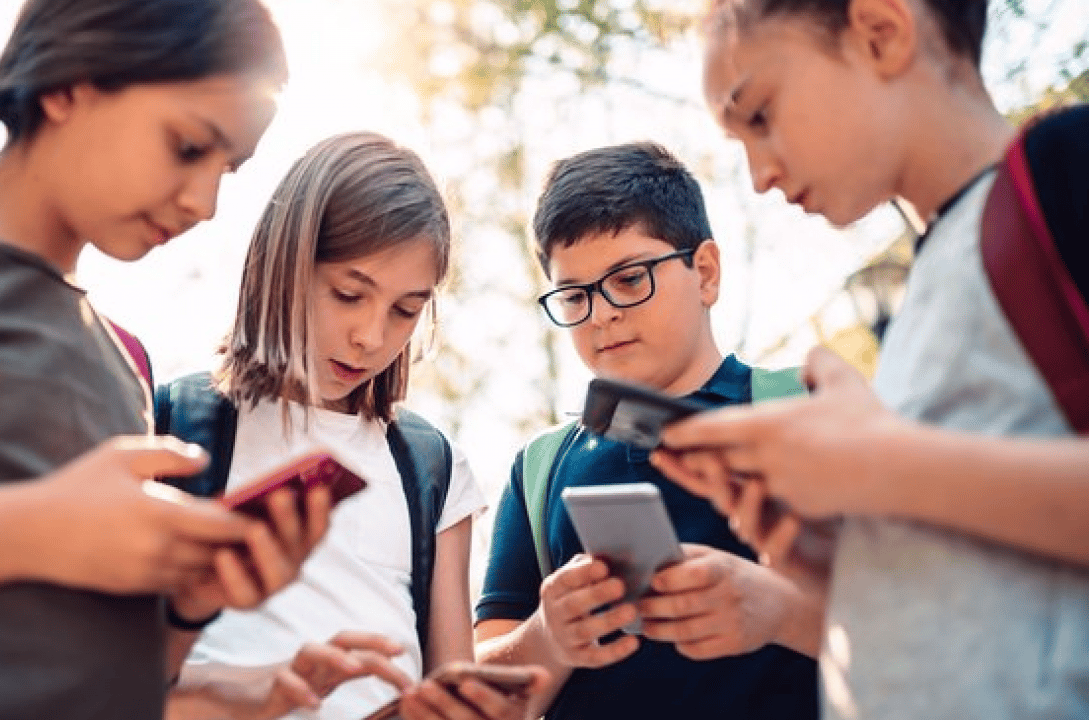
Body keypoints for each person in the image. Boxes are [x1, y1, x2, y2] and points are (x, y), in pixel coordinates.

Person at [0, 1, 333, 718]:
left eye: (230, 169)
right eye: (187, 146)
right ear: (70, 86)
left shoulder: (129, 365)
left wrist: (186, 608)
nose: (207, 203)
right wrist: (34, 529)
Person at [652, 0, 1089, 717]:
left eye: (759, 114)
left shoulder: (1064, 170)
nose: (757, 175)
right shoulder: (929, 284)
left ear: (881, 32)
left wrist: (879, 466)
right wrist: (843, 569)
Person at [159, 131, 546, 720]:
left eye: (405, 310)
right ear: (286, 264)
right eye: (348, 294)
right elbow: (113, 679)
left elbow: (450, 689)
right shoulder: (172, 426)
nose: (371, 337)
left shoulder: (430, 466)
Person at [473, 141, 821, 720]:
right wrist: (547, 636)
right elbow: (484, 689)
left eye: (629, 279)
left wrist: (780, 611)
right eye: (576, 295)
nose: (602, 313)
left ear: (704, 273)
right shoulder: (537, 469)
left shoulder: (804, 411)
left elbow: (916, 622)